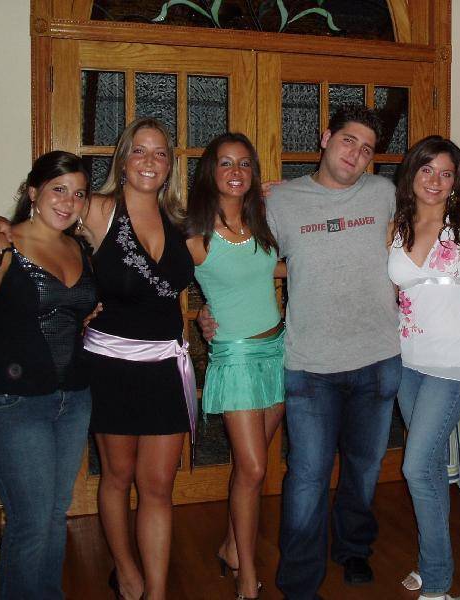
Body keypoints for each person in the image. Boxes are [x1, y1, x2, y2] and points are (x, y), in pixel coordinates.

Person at [0, 117, 195, 600]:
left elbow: (234, 246)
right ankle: (127, 572)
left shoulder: (181, 220)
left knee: (159, 487)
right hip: (110, 366)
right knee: (117, 477)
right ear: (123, 158)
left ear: (170, 165)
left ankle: (156, 592)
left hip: (165, 366)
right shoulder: (96, 209)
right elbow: (41, 220)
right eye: (139, 150)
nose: (150, 161)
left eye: (160, 153)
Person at [200, 104, 401, 599]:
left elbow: (428, 238)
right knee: (308, 476)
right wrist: (211, 308)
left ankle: (354, 547)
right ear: (325, 137)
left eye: (367, 149)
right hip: (309, 363)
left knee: (364, 467)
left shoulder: (385, 193)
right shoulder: (279, 201)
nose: (356, 154)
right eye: (348, 140)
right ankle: (299, 581)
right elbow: (243, 260)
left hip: (378, 356)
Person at [0, 151, 96, 599]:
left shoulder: (80, 248)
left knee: (53, 514)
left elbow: (75, 313)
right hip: (11, 403)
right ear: (33, 192)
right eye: (59, 189)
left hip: (73, 401)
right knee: (30, 521)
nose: (69, 202)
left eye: (78, 194)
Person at [186, 133, 285, 600]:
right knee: (254, 468)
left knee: (252, 468)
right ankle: (247, 573)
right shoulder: (195, 235)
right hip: (237, 357)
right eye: (226, 163)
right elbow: (157, 282)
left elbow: (274, 268)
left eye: (244, 163)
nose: (236, 171)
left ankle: (230, 546)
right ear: (210, 170)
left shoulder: (262, 219)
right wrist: (199, 317)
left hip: (278, 350)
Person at [388, 136, 460, 600]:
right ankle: (433, 564)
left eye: (446, 173)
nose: (435, 180)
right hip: (406, 360)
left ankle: (439, 582)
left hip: (453, 362)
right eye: (427, 170)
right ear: (412, 173)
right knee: (426, 466)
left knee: (414, 466)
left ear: (456, 182)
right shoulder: (395, 226)